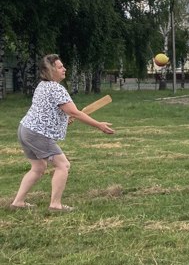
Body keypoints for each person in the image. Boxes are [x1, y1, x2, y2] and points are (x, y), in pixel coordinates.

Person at [10, 54, 114, 212]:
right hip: (38, 134)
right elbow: (76, 113)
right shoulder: (56, 89)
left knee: (38, 168)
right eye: (60, 67)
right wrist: (99, 125)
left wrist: (65, 119)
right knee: (63, 165)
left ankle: (18, 202)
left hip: (25, 130)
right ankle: (55, 205)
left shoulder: (42, 86)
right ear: (50, 71)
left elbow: (52, 111)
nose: (64, 69)